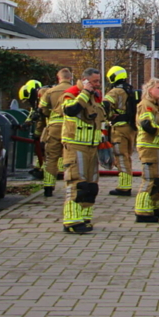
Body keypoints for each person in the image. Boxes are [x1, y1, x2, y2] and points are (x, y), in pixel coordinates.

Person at [60, 68, 105, 234]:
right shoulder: (71, 93)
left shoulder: (95, 96)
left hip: (92, 146)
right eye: (94, 82)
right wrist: (85, 92)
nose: (97, 85)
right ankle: (71, 220)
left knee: (91, 186)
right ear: (85, 81)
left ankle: (85, 217)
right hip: (75, 144)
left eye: (98, 81)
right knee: (77, 184)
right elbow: (70, 110)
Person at [134, 77, 159, 223]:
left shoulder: (156, 106)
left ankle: (154, 207)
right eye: (158, 88)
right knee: (149, 179)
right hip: (148, 147)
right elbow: (146, 124)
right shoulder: (146, 105)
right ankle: (142, 211)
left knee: (158, 179)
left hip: (157, 148)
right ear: (149, 90)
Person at [102, 65, 139, 197]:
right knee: (127, 156)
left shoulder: (115, 91)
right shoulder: (131, 90)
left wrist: (108, 117)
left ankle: (124, 187)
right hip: (131, 128)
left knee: (120, 156)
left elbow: (105, 105)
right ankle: (126, 184)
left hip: (119, 129)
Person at [38, 68, 73, 197]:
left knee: (51, 157)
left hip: (54, 128)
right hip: (70, 127)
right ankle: (70, 185)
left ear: (59, 78)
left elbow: (42, 109)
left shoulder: (49, 91)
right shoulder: (75, 91)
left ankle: (48, 186)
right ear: (70, 78)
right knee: (70, 157)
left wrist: (51, 115)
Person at [17, 79, 47, 179]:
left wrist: (37, 133)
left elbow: (40, 117)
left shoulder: (44, 97)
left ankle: (53, 170)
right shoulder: (37, 100)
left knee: (46, 147)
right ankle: (40, 167)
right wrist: (26, 123)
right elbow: (33, 112)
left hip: (52, 127)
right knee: (42, 147)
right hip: (49, 127)